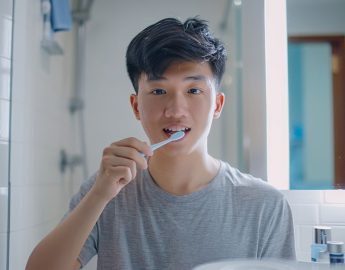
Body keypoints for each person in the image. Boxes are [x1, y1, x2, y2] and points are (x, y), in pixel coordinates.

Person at [26, 17, 296, 270]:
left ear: (217, 104)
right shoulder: (106, 191)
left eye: (193, 91)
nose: (176, 110)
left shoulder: (265, 205)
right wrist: (98, 196)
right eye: (158, 91)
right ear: (136, 106)